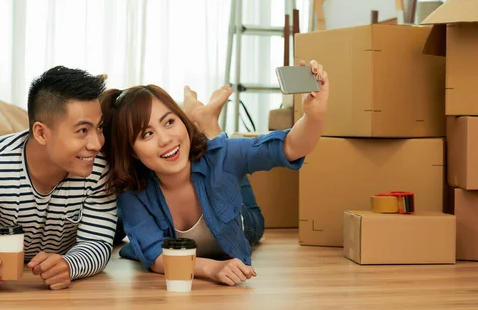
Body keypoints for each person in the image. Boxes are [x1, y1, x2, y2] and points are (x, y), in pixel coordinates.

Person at [101, 60, 328, 286]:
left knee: (232, 175)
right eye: (147, 134)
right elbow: (155, 256)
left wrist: (314, 116)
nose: (165, 139)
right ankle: (207, 122)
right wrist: (212, 268)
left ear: (182, 121)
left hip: (238, 218)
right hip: (218, 170)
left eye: (169, 122)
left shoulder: (221, 157)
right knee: (223, 161)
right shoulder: (132, 191)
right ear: (132, 152)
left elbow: (288, 147)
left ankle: (207, 123)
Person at [0, 66, 118, 290]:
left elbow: (97, 244)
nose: (97, 144)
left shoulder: (99, 166)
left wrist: (70, 265)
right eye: (82, 131)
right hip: (6, 289)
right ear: (41, 132)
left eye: (99, 128)